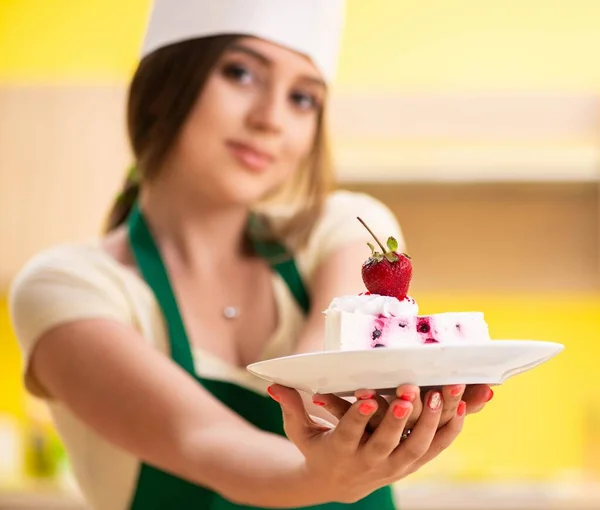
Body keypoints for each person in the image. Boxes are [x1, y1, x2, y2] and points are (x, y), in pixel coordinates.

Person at [8, 1, 494, 509]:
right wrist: (331, 476)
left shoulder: (340, 231)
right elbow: (208, 444)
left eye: (303, 99)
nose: (270, 119)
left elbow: (328, 391)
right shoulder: (68, 288)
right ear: (163, 87)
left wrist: (394, 420)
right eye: (240, 73)